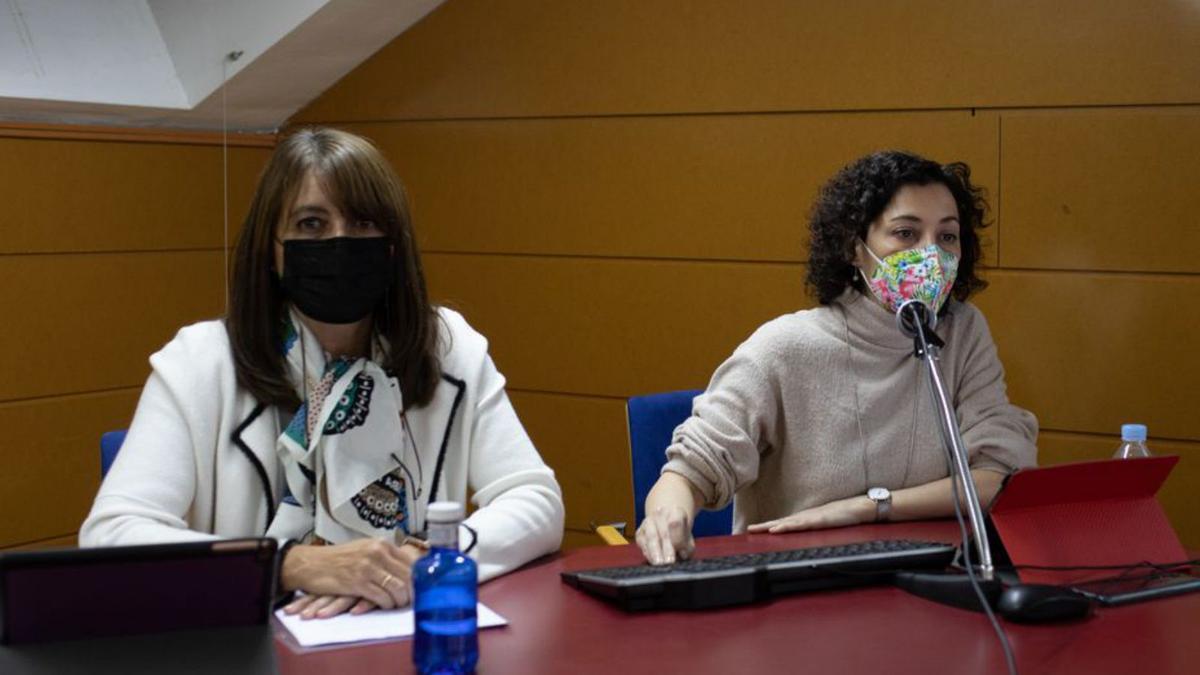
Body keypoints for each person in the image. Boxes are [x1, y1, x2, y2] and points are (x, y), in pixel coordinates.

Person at [81, 127, 565, 618]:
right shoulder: (201, 362)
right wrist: (289, 565)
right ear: (271, 249)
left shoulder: (448, 347)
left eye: (363, 223)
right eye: (312, 224)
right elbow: (111, 537)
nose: (339, 242)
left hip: (399, 635)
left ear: (393, 245)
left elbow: (536, 500)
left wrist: (425, 559)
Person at [636, 150, 1037, 565]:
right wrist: (669, 513)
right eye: (905, 234)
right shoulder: (785, 346)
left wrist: (867, 507)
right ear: (855, 247)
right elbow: (690, 470)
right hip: (801, 584)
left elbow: (1001, 477)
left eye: (947, 237)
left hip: (932, 575)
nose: (930, 254)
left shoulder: (961, 331)